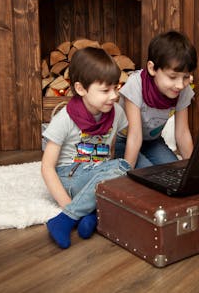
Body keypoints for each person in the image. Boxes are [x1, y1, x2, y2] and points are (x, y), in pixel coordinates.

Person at [41, 47, 130, 249]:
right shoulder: (64, 119)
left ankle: (89, 215)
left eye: (116, 88)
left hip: (97, 173)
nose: (114, 95)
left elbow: (112, 148)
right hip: (69, 176)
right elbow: (47, 167)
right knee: (121, 168)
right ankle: (65, 219)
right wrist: (66, 204)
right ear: (81, 89)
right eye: (105, 90)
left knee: (126, 173)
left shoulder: (116, 112)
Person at [115, 30, 198, 168]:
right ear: (152, 68)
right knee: (147, 173)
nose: (179, 85)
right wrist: (127, 175)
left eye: (185, 77)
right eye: (172, 77)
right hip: (124, 141)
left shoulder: (183, 89)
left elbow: (182, 133)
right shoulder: (135, 84)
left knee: (173, 171)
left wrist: (193, 170)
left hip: (152, 141)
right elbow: (134, 136)